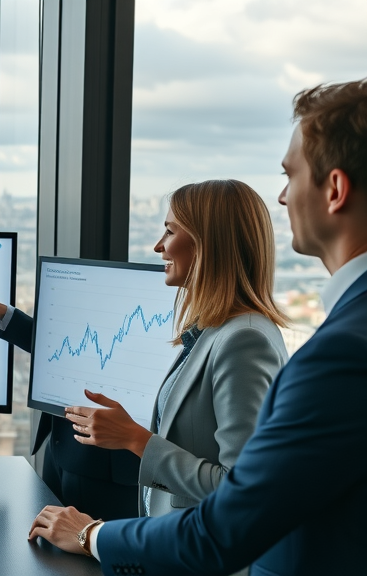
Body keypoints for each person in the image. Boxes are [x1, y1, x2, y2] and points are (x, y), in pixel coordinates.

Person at [28, 78, 367, 575]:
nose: (281, 196)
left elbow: (233, 511)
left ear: (334, 189)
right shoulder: (220, 332)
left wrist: (91, 531)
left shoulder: (299, 346)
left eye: (290, 175)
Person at [62, 180, 288, 522]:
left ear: (208, 244)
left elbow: (242, 488)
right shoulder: (215, 330)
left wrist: (136, 439)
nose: (158, 246)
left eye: (169, 232)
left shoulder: (245, 341)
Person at [0, 293, 140, 521]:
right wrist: (5, 314)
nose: (159, 253)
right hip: (59, 445)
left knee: (92, 549)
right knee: (51, 545)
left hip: (108, 467)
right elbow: (71, 349)